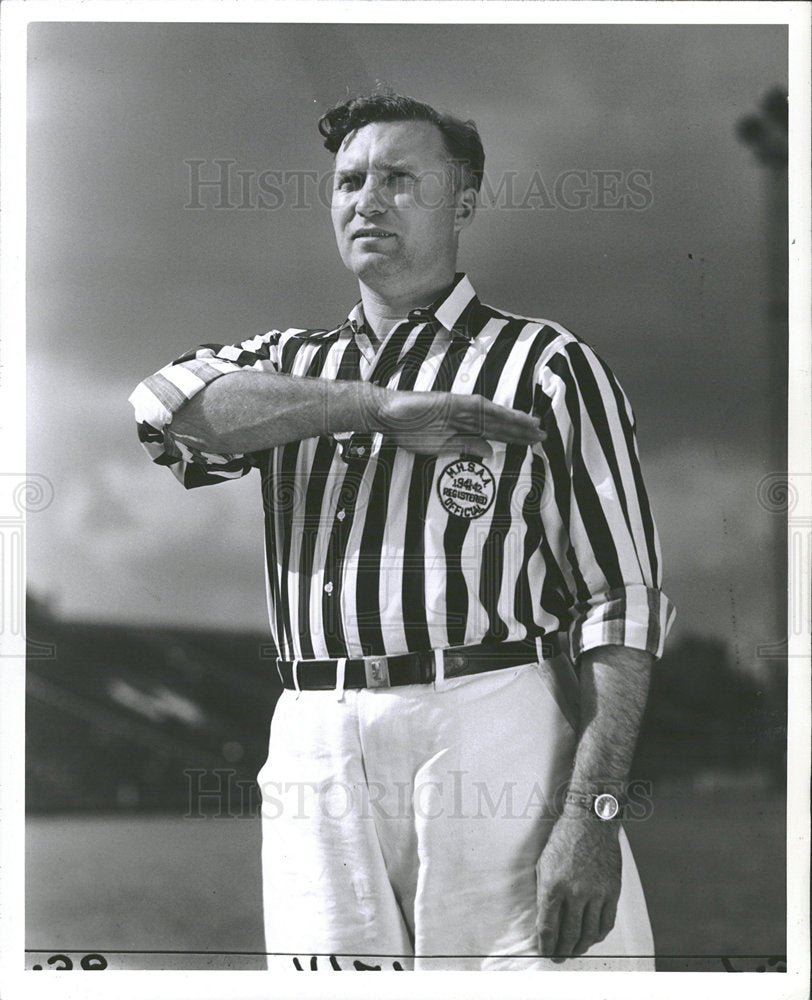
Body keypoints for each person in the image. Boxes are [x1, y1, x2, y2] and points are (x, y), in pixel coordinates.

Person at [129, 93, 675, 972]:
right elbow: (164, 409)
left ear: (463, 201)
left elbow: (622, 603)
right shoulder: (293, 366)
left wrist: (593, 816)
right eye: (349, 181)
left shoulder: (545, 364)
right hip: (314, 736)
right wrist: (377, 408)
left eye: (399, 179)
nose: (367, 201)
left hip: (488, 720)